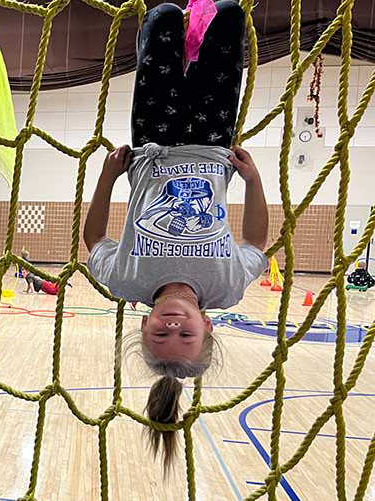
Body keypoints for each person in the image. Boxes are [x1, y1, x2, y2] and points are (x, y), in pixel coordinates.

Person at [83, 1, 268, 471]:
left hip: (153, 141)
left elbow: (94, 239)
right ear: (206, 326)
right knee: (228, 18)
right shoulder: (226, 287)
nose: (171, 325)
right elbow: (256, 245)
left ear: (143, 326)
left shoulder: (125, 281)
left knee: (163, 18)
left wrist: (106, 178)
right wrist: (253, 183)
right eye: (184, 334)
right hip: (211, 141)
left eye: (160, 333)